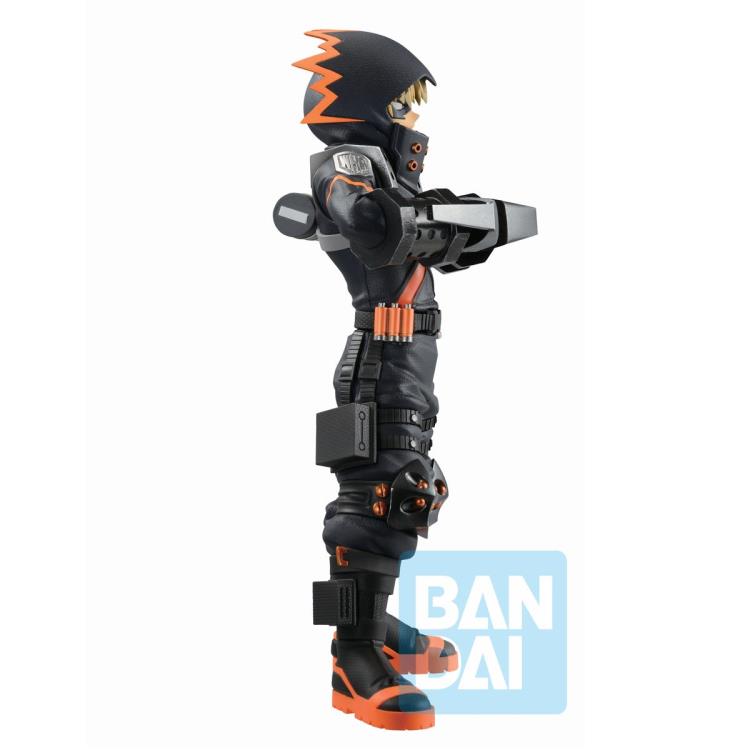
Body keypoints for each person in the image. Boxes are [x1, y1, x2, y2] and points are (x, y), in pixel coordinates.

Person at [273, 29, 537, 730]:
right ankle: (352, 655)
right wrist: (445, 218)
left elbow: (461, 232)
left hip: (410, 355)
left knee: (410, 483)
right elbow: (372, 221)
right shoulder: (345, 168)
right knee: (380, 490)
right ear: (370, 101)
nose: (414, 117)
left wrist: (447, 220)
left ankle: (377, 622)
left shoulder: (390, 176)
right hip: (379, 354)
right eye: (405, 102)